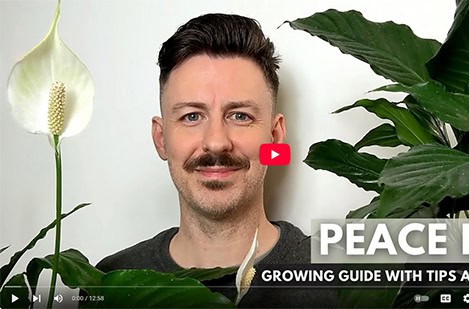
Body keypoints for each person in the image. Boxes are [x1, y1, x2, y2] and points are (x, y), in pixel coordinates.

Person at [96, 13, 336, 308]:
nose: (217, 142)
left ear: (274, 137)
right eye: (192, 116)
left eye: (240, 116)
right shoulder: (104, 284)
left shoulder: (345, 284)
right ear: (161, 139)